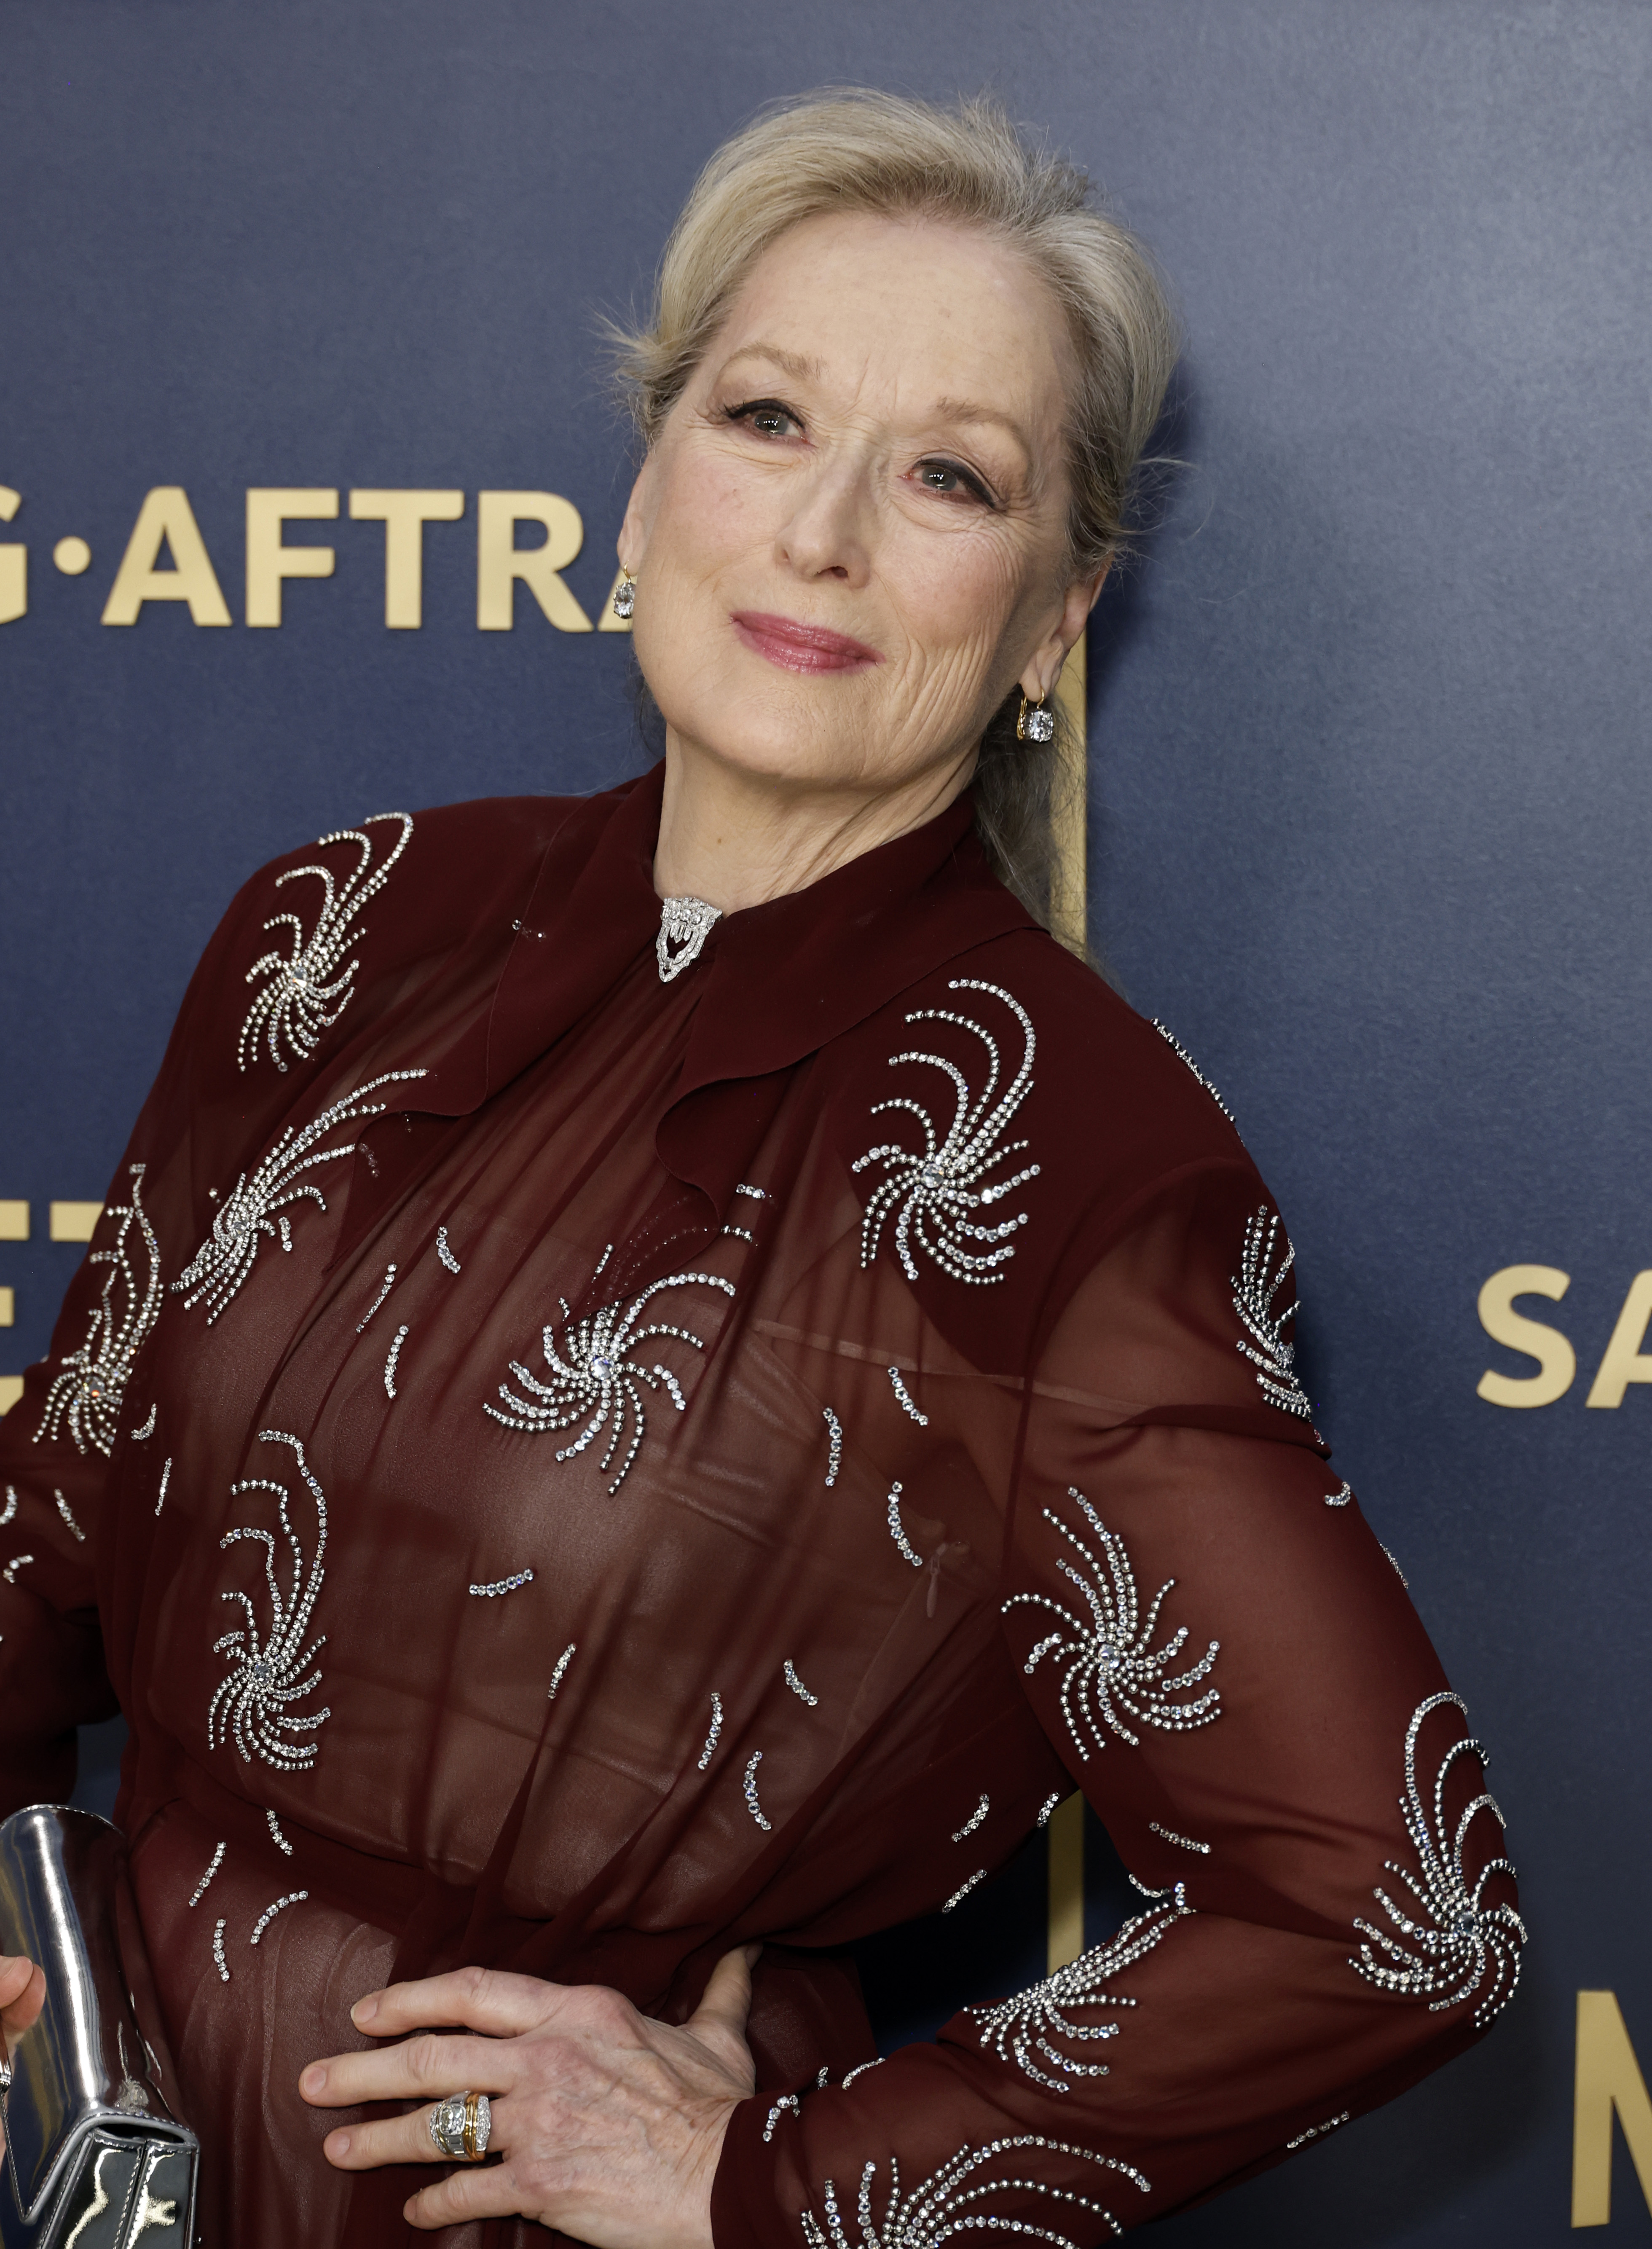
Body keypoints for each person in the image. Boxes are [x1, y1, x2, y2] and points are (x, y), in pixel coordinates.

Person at [0, 88, 1523, 2249]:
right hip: (100, 2160)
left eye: (944, 476)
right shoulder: (334, 927)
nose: (819, 535)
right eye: (765, 417)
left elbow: (1388, 1910)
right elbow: (57, 1509)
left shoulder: (1067, 1174)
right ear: (642, 488)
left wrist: (768, 2178)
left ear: (1051, 620)